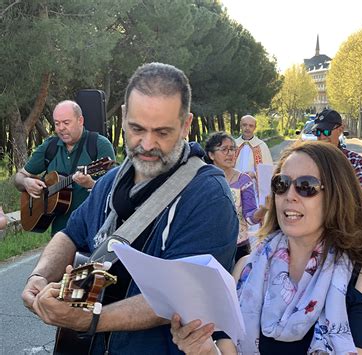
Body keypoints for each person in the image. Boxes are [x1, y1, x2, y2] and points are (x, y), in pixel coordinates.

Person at [21, 62, 239, 354]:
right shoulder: (111, 181)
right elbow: (72, 234)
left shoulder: (209, 197)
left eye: (162, 132)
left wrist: (91, 319)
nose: (147, 144)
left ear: (186, 125)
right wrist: (40, 276)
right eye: (137, 128)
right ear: (123, 116)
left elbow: (180, 296)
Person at [170, 141, 362, 355]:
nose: (289, 196)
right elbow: (227, 350)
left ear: (337, 195)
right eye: (281, 184)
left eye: (306, 186)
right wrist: (203, 349)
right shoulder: (246, 268)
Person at [13, 100, 116, 234]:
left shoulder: (98, 145)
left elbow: (115, 188)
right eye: (57, 123)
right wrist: (26, 182)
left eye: (66, 123)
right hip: (60, 233)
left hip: (93, 230)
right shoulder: (50, 146)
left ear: (80, 120)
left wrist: (92, 184)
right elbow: (19, 177)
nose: (60, 128)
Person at [204, 131, 267, 261]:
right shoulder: (203, 180)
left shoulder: (243, 180)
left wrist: (264, 209)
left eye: (232, 149)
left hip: (239, 247)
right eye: (224, 149)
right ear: (211, 155)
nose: (230, 154)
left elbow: (250, 218)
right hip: (210, 248)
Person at [312, 109, 362, 195]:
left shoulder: (354, 160)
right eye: (318, 132)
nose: (322, 136)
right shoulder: (309, 159)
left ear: (340, 130)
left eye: (327, 131)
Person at [234, 114, 273, 184]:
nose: (247, 128)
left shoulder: (261, 146)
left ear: (255, 128)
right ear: (240, 126)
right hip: (235, 184)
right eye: (244, 125)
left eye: (251, 126)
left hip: (254, 185)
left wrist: (255, 174)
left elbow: (268, 171)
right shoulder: (233, 145)